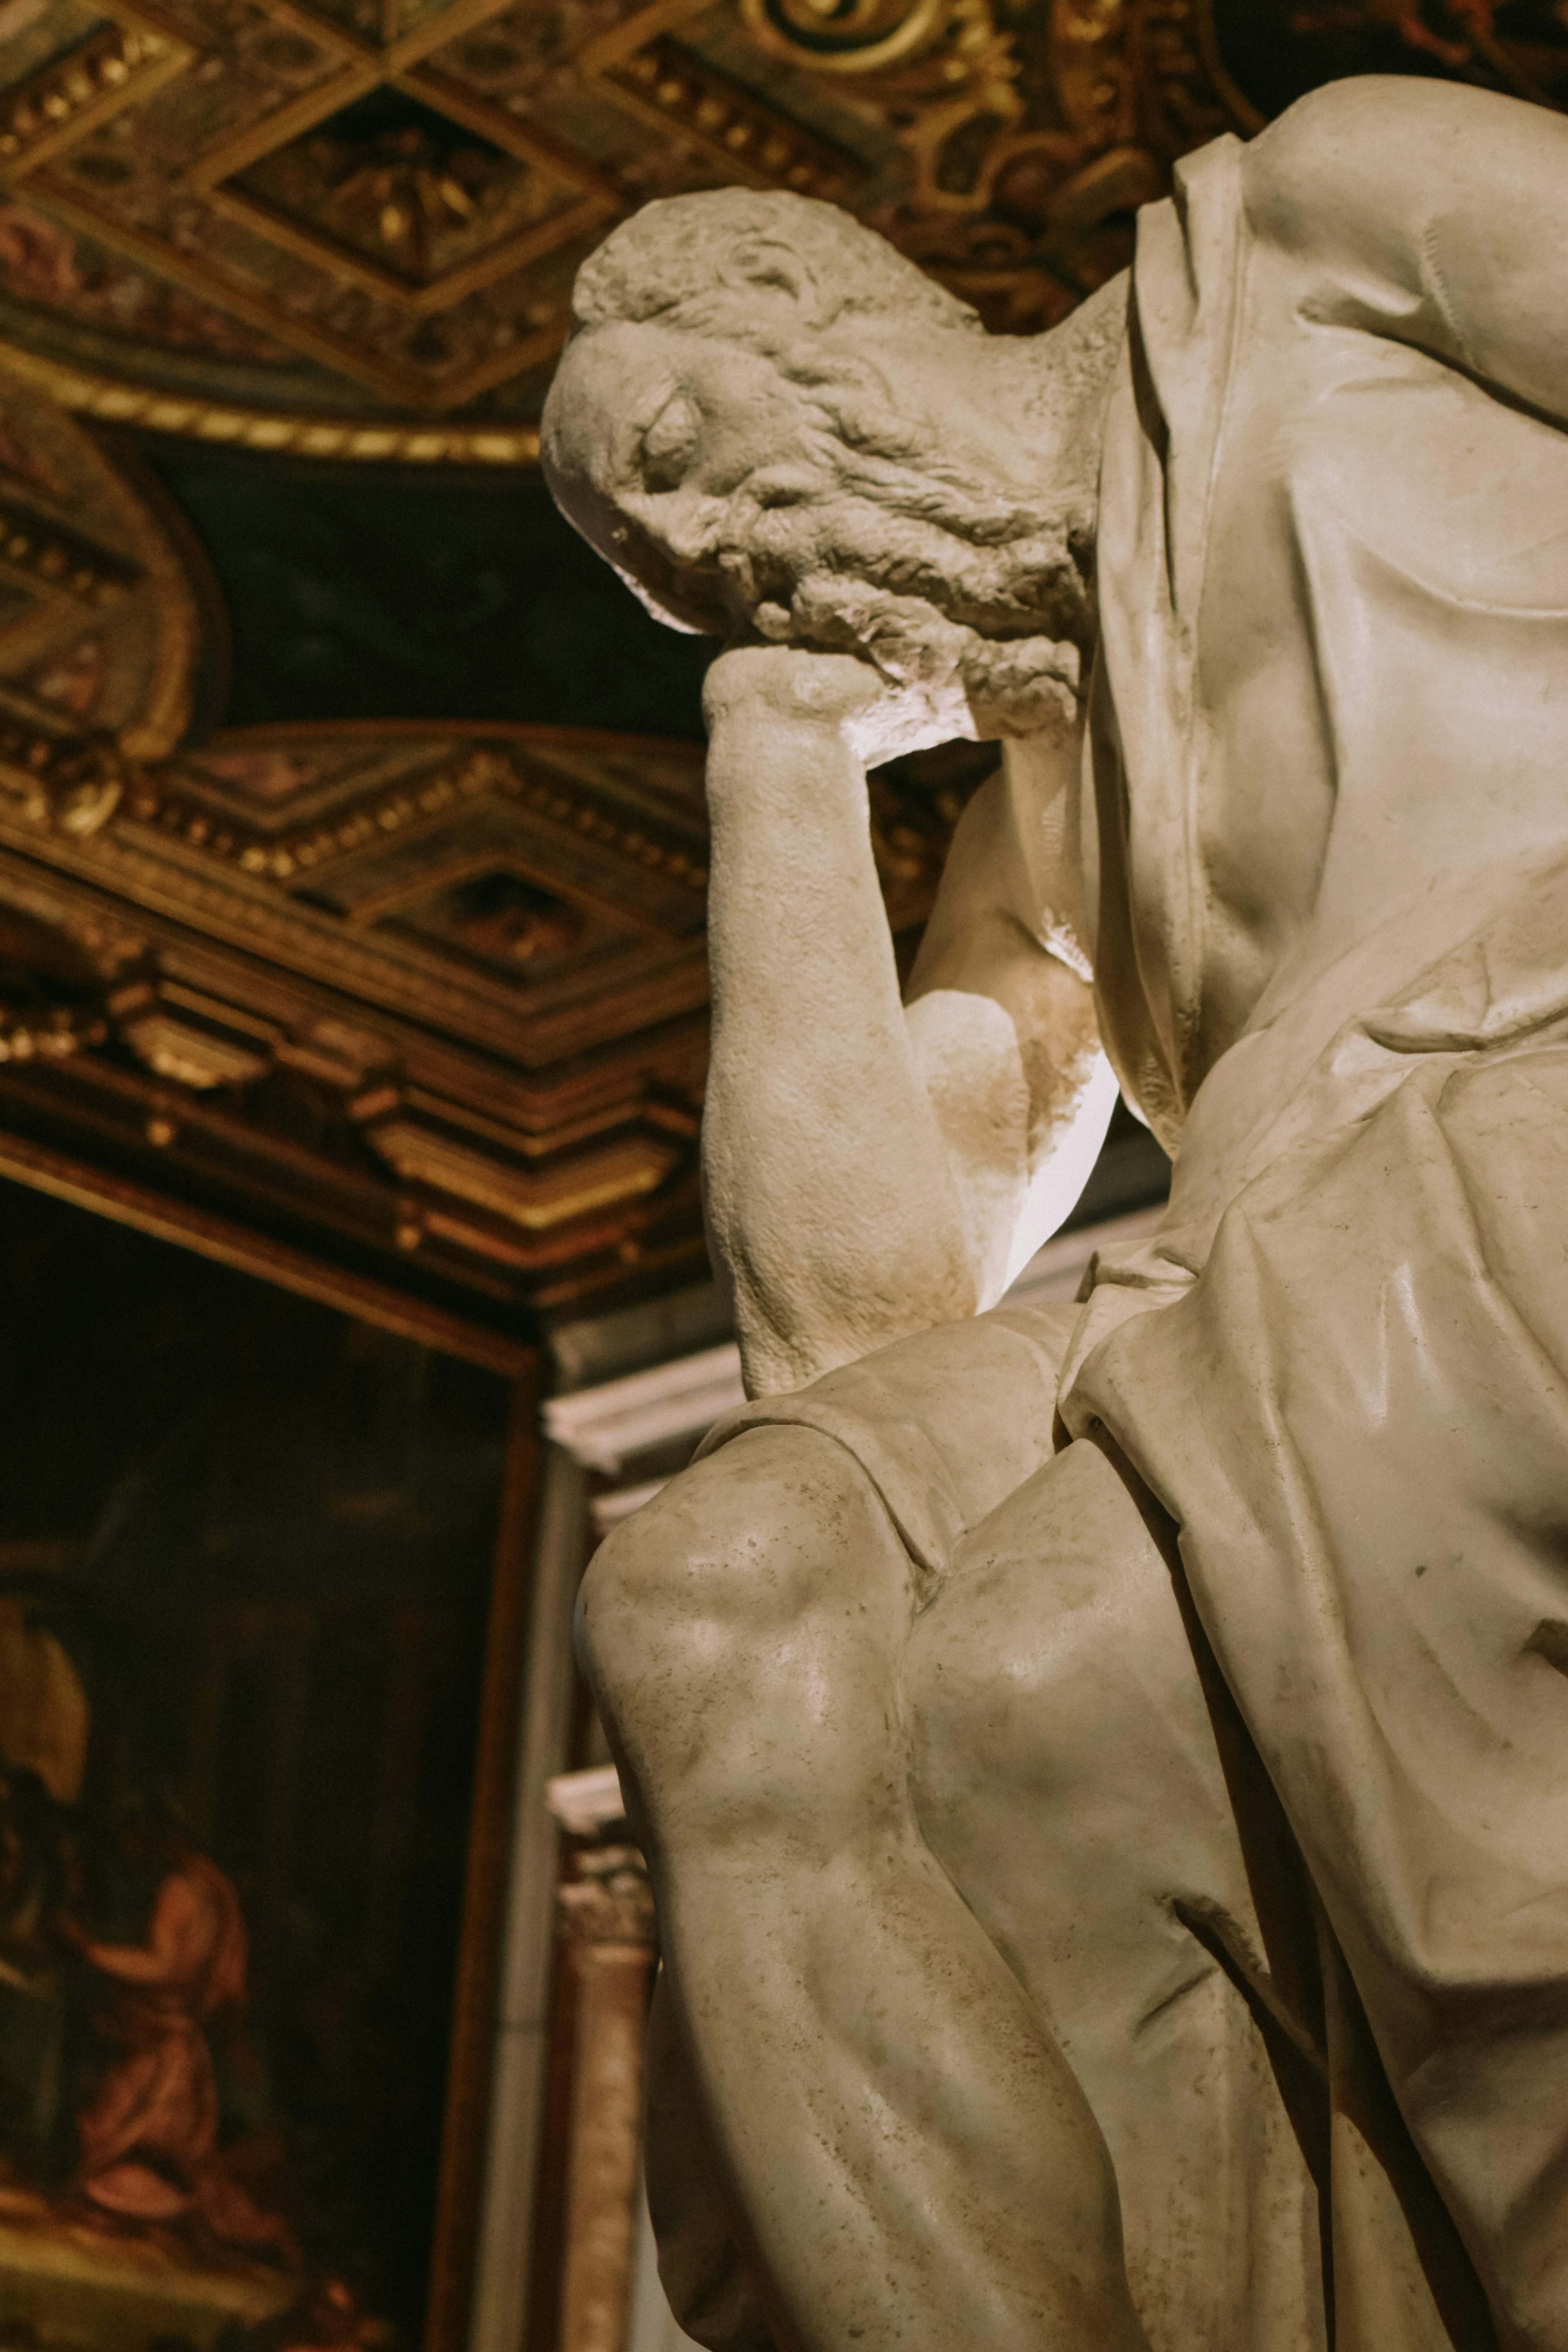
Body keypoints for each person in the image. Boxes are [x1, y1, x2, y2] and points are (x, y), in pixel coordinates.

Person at [543, 70, 1568, 2352]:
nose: (706, 564)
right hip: (1263, 1243)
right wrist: (774, 764)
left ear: (821, 314)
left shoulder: (1303, 227)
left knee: (1018, 1690)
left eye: (680, 466)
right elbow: (854, 1320)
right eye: (662, 581)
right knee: (714, 1593)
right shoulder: (1038, 772)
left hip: (1521, 1064)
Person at [62, 1797, 293, 2259]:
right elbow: (232, 1983)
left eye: (136, 1836)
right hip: (179, 2042)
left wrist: (91, 1951)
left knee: (110, 2134)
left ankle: (181, 2217)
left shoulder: (179, 1890)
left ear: (161, 1835)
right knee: (174, 2149)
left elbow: (163, 1965)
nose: (130, 1848)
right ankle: (197, 2220)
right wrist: (234, 2037)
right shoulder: (219, 1891)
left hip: (161, 2041)